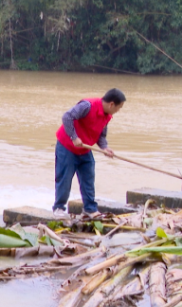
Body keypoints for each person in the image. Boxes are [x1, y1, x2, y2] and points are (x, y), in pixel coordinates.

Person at [52, 88, 127, 220]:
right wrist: (74, 137)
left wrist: (105, 147)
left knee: (88, 177)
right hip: (67, 146)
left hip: (84, 149)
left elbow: (101, 136)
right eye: (118, 108)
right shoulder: (87, 106)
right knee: (65, 178)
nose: (118, 111)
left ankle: (89, 209)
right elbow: (67, 117)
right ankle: (59, 208)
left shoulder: (107, 116)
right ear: (111, 104)